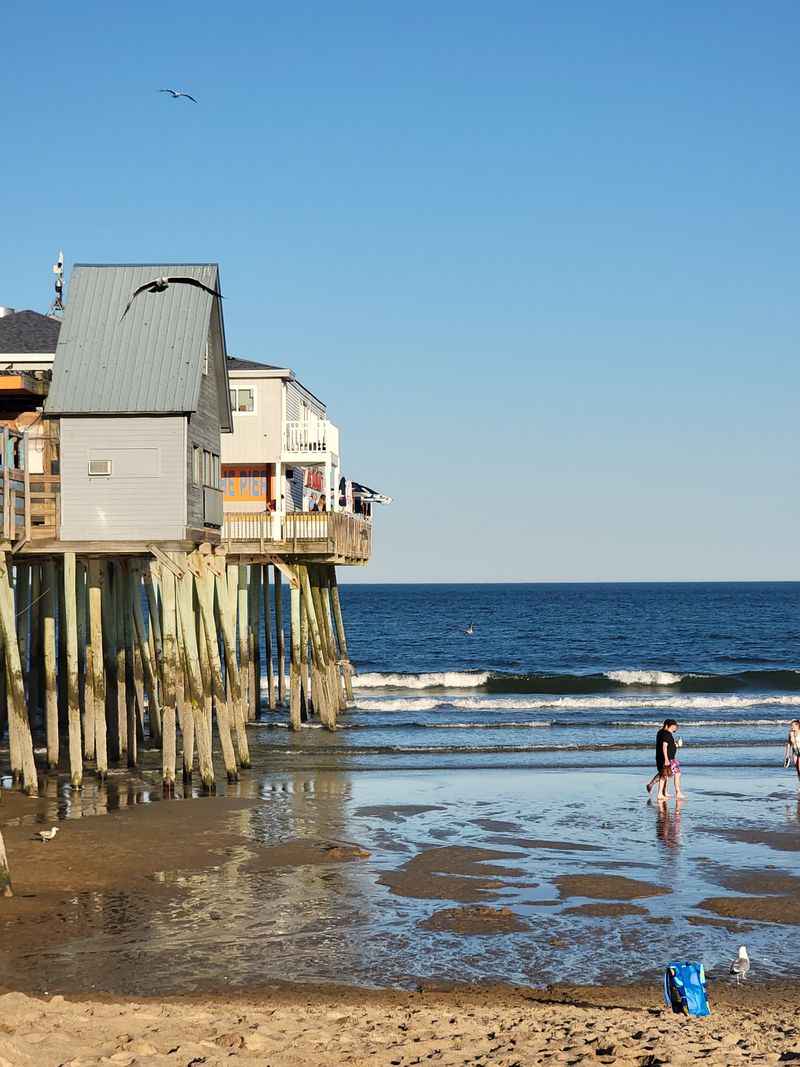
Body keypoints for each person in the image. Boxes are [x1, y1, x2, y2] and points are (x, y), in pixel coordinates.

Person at [646, 718, 685, 800]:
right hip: (668, 758)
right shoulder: (667, 734)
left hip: (664, 757)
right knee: (675, 774)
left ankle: (663, 792)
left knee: (664, 775)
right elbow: (664, 746)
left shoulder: (661, 733)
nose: (676, 728)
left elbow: (668, 745)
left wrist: (676, 745)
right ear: (672, 726)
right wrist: (667, 759)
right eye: (675, 726)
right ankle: (677, 793)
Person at [784, 720, 800, 787]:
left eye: (793, 725)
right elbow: (789, 744)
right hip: (795, 752)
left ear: (797, 726)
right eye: (791, 725)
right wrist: (787, 755)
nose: (791, 727)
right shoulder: (791, 733)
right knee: (798, 771)